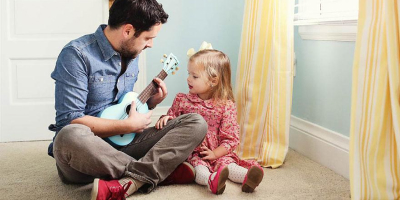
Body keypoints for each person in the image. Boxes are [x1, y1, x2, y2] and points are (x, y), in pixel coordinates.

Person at [48, 0, 207, 199]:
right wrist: (128, 126)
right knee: (68, 136)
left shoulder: (131, 51)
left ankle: (131, 180)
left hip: (125, 143)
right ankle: (156, 172)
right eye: (148, 37)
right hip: (86, 152)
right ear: (128, 31)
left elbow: (122, 105)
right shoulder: (76, 55)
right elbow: (69, 121)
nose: (151, 44)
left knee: (196, 122)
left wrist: (151, 102)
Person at [155, 48, 264, 195]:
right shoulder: (182, 100)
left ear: (213, 81)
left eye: (194, 76)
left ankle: (248, 177)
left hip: (219, 152)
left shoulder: (226, 106)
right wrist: (166, 119)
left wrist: (215, 154)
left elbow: (231, 139)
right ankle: (211, 180)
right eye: (189, 74)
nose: (188, 79)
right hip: (193, 152)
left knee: (229, 165)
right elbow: (172, 120)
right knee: (199, 169)